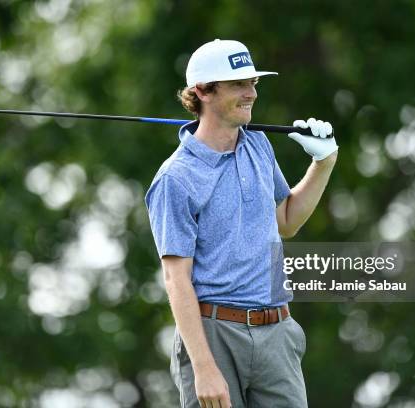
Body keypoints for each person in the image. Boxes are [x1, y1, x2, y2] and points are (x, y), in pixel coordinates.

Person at [145, 39, 338, 408]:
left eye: (253, 83)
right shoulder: (176, 177)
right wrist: (203, 367)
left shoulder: (258, 145)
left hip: (277, 332)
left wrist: (323, 163)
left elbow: (286, 221)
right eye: (238, 84)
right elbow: (176, 279)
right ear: (202, 91)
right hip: (215, 335)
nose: (251, 93)